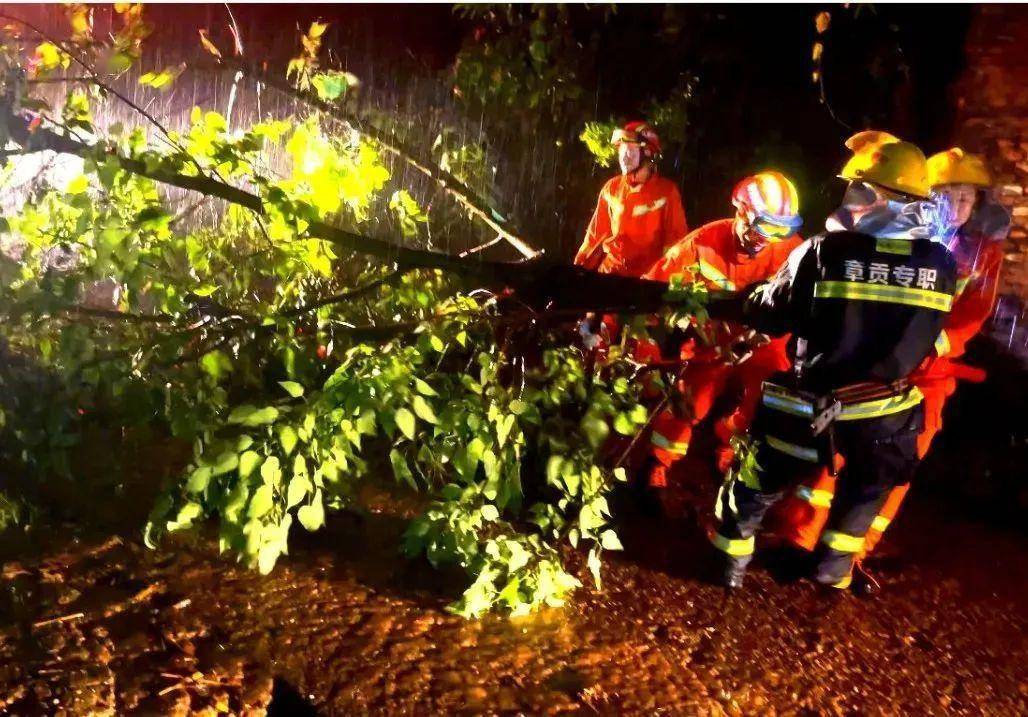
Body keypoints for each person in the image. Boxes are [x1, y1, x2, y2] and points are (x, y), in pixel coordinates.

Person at [707, 131, 959, 590]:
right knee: (860, 505)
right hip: (887, 420)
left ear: (873, 194)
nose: (849, 198)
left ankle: (726, 573)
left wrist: (744, 300)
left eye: (857, 189)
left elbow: (772, 311)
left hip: (809, 409)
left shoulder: (824, 251)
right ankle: (829, 581)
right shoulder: (942, 263)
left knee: (751, 489)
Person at [770, 147, 1010, 591]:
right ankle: (798, 537)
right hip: (874, 365)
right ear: (926, 196)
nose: (956, 206)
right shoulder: (904, 236)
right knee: (833, 449)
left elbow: (971, 315)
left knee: (895, 466)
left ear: (978, 205)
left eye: (966, 198)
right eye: (947, 195)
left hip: (931, 374)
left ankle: (850, 555)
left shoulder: (982, 256)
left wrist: (925, 350)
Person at [641, 172, 804, 491]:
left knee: (770, 401)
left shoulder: (791, 252)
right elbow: (649, 292)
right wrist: (649, 354)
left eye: (779, 231)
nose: (768, 239)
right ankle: (658, 462)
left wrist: (760, 336)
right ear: (740, 212)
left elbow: (799, 306)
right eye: (763, 227)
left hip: (764, 345)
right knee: (687, 403)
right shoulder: (702, 244)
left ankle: (729, 440)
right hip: (712, 343)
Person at [574, 121, 689, 277]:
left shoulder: (667, 192)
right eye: (621, 151)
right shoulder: (612, 188)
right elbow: (594, 238)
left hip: (645, 283)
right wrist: (577, 271)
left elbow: (676, 246)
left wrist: (666, 284)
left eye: (630, 151)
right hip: (609, 275)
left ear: (648, 153)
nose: (623, 157)